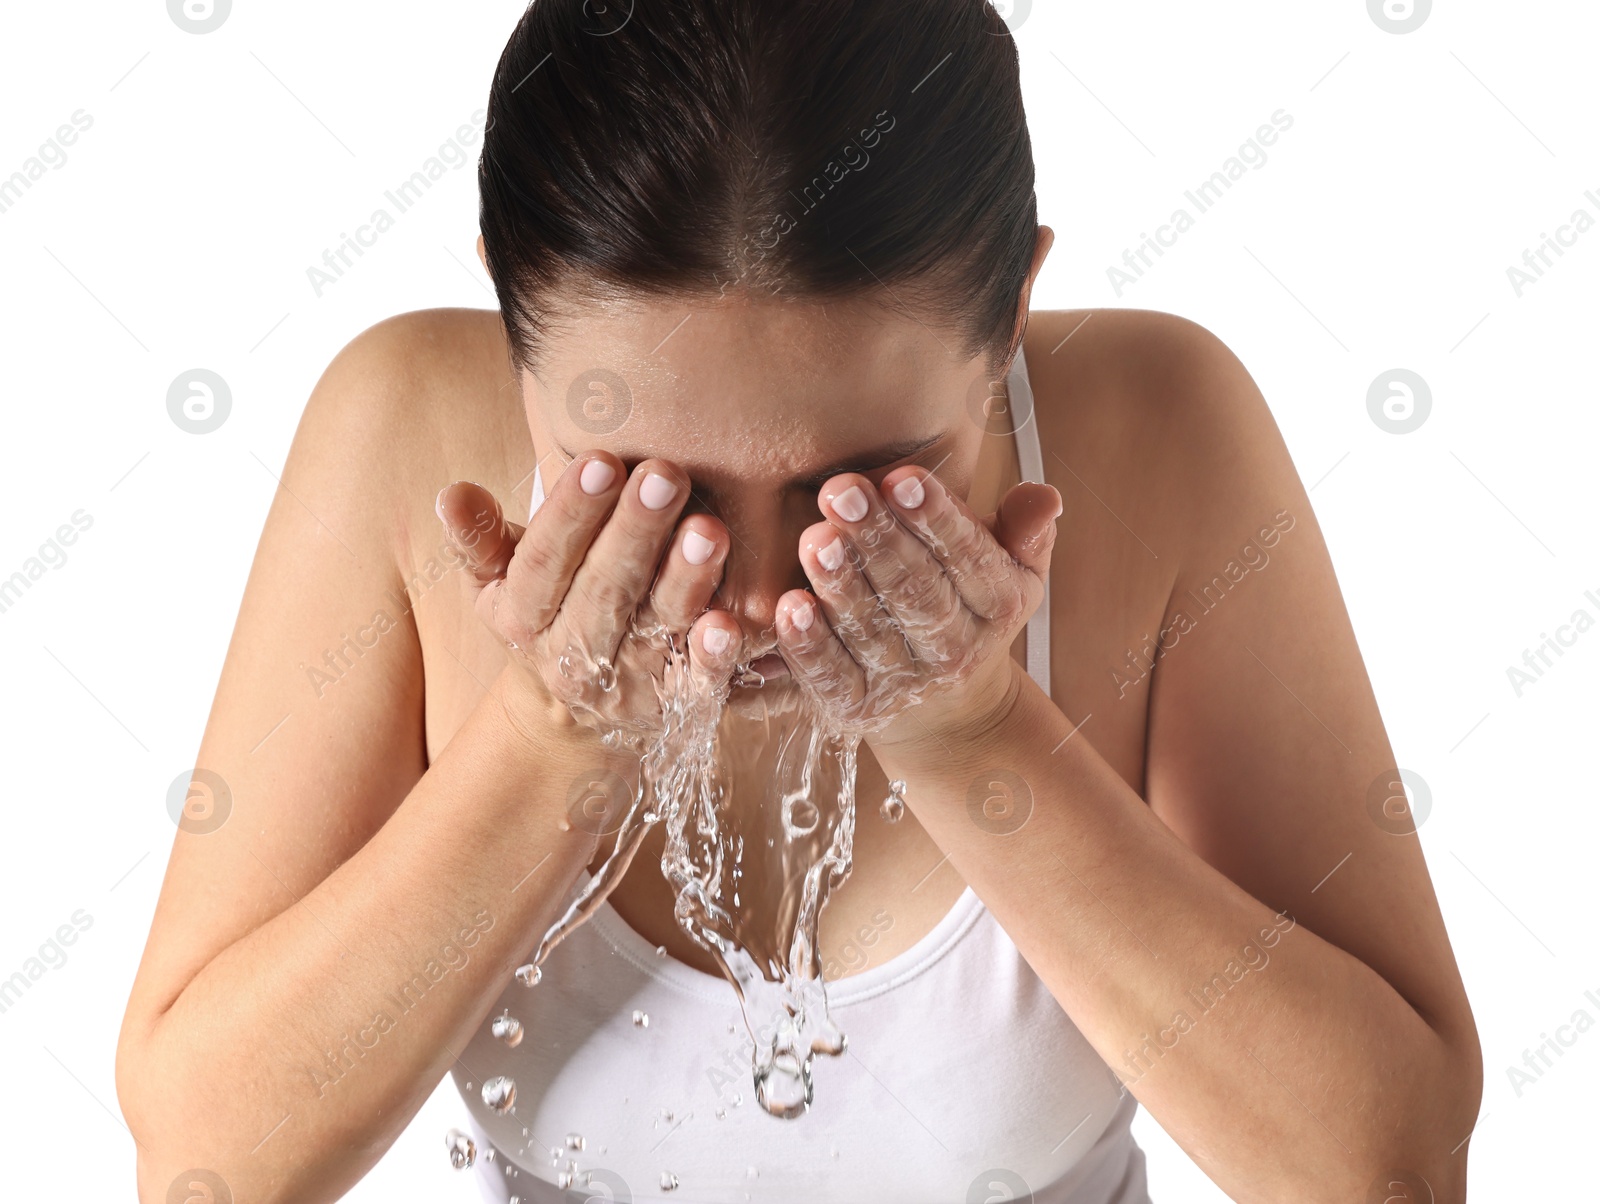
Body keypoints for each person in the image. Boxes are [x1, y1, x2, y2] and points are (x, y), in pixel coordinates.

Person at [116, 1, 1483, 1201]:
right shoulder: (404, 434)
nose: (761, 601)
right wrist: (548, 735)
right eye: (653, 486)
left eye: (872, 482)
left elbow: (1387, 1170)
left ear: (1010, 316)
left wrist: (976, 732)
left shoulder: (1158, 431)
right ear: (510, 319)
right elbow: (209, 1167)